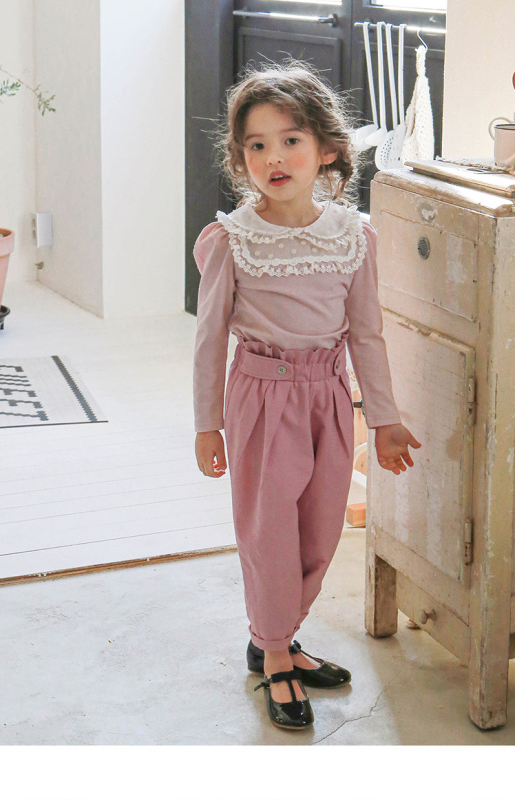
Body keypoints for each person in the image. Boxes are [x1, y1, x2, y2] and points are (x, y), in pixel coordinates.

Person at [192, 61, 421, 732]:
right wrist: (208, 424)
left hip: (330, 398)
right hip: (261, 400)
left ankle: (275, 635)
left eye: (290, 140)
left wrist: (383, 419)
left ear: (326, 149)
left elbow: (367, 334)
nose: (274, 157)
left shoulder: (353, 236)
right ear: (240, 159)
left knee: (319, 531)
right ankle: (275, 655)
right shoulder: (233, 240)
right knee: (269, 533)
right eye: (257, 145)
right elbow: (209, 340)